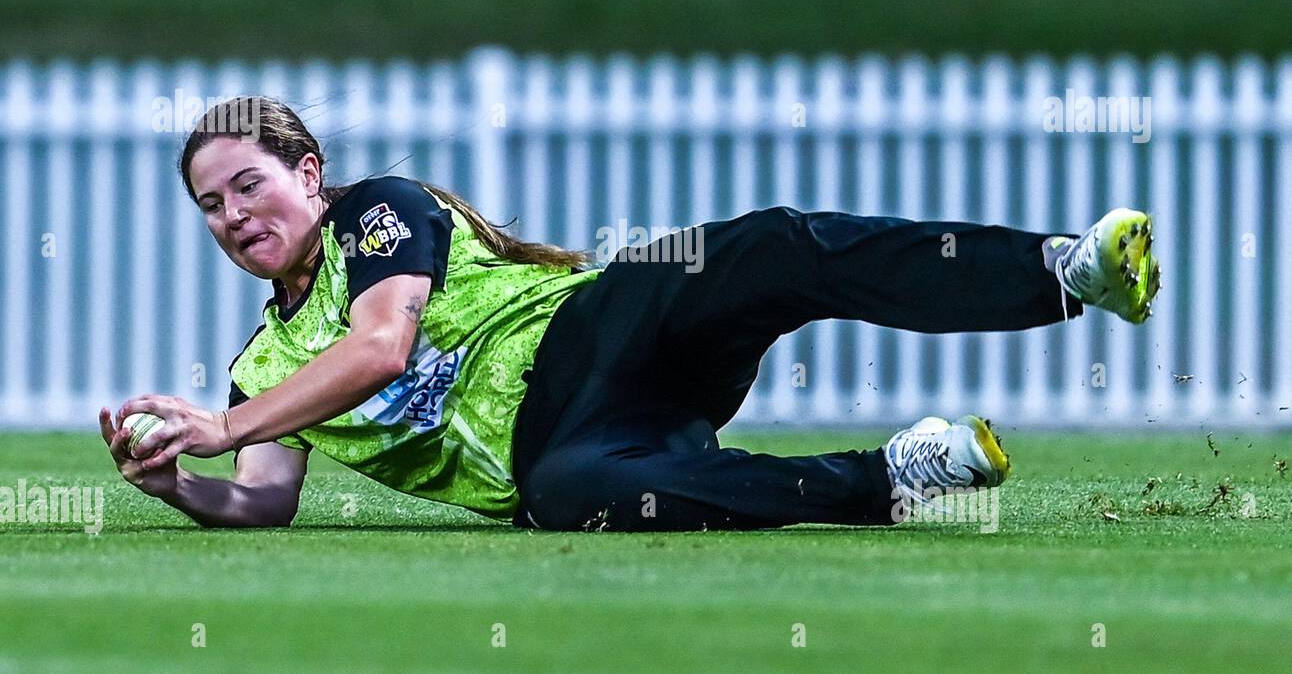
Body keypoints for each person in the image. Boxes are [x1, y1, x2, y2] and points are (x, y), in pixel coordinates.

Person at [99, 96, 1161, 532]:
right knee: (573, 495)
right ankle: (891, 473)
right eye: (211, 204)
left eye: (248, 184)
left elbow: (382, 346)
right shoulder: (262, 367)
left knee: (762, 247)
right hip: (563, 449)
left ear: (309, 175)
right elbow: (264, 506)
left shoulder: (375, 213)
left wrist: (227, 422)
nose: (233, 215)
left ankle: (1061, 271)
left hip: (595, 336)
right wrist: (180, 481)